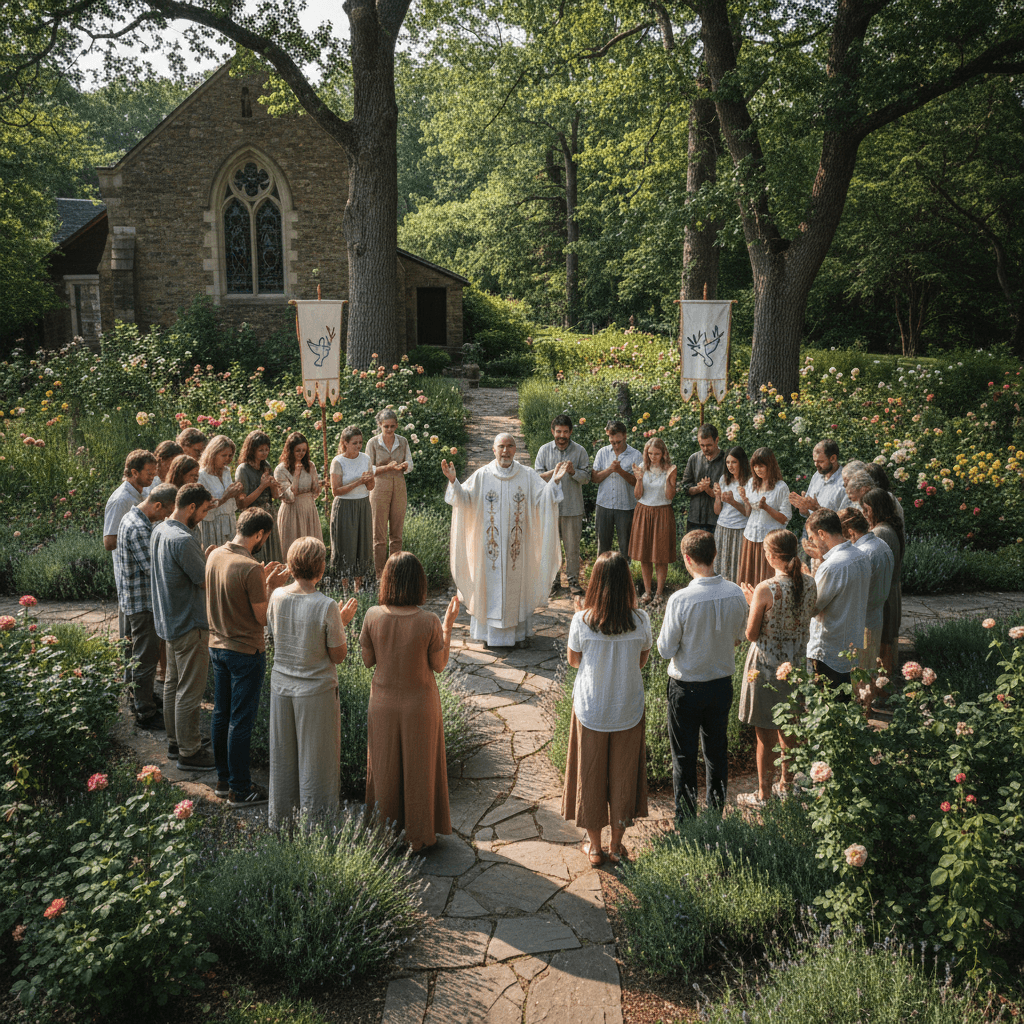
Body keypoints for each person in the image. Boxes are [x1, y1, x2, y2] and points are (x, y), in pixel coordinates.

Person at [359, 553, 460, 852]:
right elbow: (439, 665)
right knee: (420, 769)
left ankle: (384, 834)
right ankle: (419, 837)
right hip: (421, 705)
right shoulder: (428, 621)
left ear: (387, 581)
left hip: (383, 704)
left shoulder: (372, 615)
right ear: (419, 582)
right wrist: (448, 626)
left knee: (384, 768)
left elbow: (367, 660)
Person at [561, 551, 651, 866]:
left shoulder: (581, 620)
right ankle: (616, 846)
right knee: (624, 778)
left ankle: (595, 848)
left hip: (591, 708)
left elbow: (574, 661)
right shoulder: (641, 620)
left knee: (590, 775)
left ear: (595, 583)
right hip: (627, 707)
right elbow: (642, 660)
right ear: (627, 582)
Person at [443, 432, 567, 649]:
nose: (505, 451)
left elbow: (543, 500)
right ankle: (486, 634)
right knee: (488, 588)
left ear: (515, 450)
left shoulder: (527, 475)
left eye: (510, 446)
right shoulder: (482, 475)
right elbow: (464, 501)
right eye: (501, 446)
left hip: (516, 551)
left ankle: (517, 636)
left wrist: (553, 483)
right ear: (494, 449)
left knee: (516, 587)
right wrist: (454, 482)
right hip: (489, 550)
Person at [266, 537, 358, 828]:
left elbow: (274, 635)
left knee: (283, 758)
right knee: (317, 763)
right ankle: (317, 827)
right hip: (315, 691)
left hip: (281, 687)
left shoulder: (277, 596)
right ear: (320, 568)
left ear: (291, 565)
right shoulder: (326, 605)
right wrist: (342, 624)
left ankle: (282, 821)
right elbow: (338, 655)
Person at [657, 530, 748, 819]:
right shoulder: (735, 592)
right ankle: (716, 818)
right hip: (721, 684)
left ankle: (686, 822)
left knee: (684, 757)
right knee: (717, 753)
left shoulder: (681, 600)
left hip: (687, 686)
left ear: (687, 559)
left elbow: (665, 648)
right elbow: (739, 637)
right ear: (715, 555)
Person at [206, 507, 289, 806]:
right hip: (245, 652)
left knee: (221, 714)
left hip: (216, 646)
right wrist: (271, 586)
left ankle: (223, 780)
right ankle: (240, 790)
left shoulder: (215, 554)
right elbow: (263, 618)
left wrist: (261, 583)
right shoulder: (250, 566)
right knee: (240, 722)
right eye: (265, 536)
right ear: (259, 534)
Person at [737, 530, 817, 806]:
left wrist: (751, 604)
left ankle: (764, 795)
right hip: (796, 664)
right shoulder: (810, 583)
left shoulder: (766, 588)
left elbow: (751, 634)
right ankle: (788, 784)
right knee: (790, 728)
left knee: (765, 735)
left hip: (767, 666)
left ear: (771, 555)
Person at [150, 483, 216, 770]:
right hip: (190, 622)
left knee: (172, 685)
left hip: (168, 620)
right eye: (202, 511)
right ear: (191, 507)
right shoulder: (183, 540)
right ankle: (190, 753)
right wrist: (211, 560)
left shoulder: (159, 530)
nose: (202, 516)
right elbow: (204, 581)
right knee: (190, 690)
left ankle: (176, 743)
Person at [113, 483, 177, 729]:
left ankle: (139, 698)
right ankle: (145, 712)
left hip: (132, 598)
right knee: (145, 658)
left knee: (133, 655)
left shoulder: (130, 517)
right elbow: (152, 569)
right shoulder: (140, 528)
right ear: (158, 505)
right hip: (143, 603)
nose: (164, 518)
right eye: (165, 513)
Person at [805, 508, 872, 699]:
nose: (812, 543)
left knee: (824, 707)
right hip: (850, 646)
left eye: (812, 537)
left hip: (828, 649)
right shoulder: (861, 556)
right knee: (843, 705)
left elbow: (812, 607)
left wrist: (807, 579)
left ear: (821, 534)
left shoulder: (832, 566)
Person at [534, 414, 591, 598]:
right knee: (551, 546)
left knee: (572, 547)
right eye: (558, 431)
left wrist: (574, 472)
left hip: (572, 507)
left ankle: (573, 581)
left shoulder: (580, 451)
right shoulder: (544, 450)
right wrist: (554, 472)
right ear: (553, 431)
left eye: (565, 432)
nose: (562, 435)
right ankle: (553, 581)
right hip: (549, 507)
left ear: (571, 432)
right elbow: (536, 477)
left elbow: (587, 478)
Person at [839, 507, 894, 683]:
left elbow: (850, 591)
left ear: (850, 532)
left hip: (860, 621)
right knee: (868, 670)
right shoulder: (882, 545)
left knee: (859, 674)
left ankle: (863, 709)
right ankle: (867, 708)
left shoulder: (862, 553)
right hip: (875, 617)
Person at [627, 437, 677, 605]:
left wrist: (670, 479)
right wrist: (639, 479)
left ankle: (659, 593)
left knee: (661, 555)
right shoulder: (642, 468)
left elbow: (670, 496)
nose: (653, 457)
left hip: (662, 512)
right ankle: (648, 592)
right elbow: (637, 495)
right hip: (644, 511)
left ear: (663, 453)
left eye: (656, 453)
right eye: (650, 453)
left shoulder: (670, 469)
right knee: (645, 555)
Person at [861, 488, 905, 676]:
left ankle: (881, 687)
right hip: (891, 589)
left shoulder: (880, 532)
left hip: (883, 592)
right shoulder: (890, 526)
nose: (864, 514)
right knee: (885, 640)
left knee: (881, 643)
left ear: (876, 509)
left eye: (866, 510)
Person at [364, 410, 413, 579]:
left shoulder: (403, 441)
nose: (390, 429)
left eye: (392, 426)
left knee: (397, 532)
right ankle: (379, 575)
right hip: (379, 486)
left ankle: (395, 572)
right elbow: (368, 468)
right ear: (380, 426)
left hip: (399, 485)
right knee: (379, 534)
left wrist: (405, 466)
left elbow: (410, 463)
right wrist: (388, 467)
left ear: (397, 425)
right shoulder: (373, 443)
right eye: (386, 426)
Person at [738, 447, 792, 587]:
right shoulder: (751, 483)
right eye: (755, 466)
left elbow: (785, 518)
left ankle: (766, 606)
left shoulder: (781, 487)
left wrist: (766, 507)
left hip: (770, 540)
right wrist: (745, 499)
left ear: (770, 465)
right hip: (751, 536)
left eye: (761, 466)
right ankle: (749, 606)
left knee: (767, 580)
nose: (757, 469)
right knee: (749, 578)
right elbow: (748, 512)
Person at [330, 425, 375, 591]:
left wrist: (369, 480)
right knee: (346, 546)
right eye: (354, 442)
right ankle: (345, 589)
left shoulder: (365, 459)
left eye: (360, 442)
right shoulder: (338, 462)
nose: (358, 446)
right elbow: (336, 491)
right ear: (345, 443)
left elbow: (371, 486)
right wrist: (358, 482)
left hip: (363, 504)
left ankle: (358, 588)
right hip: (345, 506)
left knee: (362, 545)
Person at [592, 420, 642, 558]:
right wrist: (610, 469)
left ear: (625, 436)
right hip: (604, 505)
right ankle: (602, 577)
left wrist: (620, 471)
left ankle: (625, 577)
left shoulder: (636, 455)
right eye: (612, 441)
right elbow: (594, 478)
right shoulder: (602, 453)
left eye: (618, 442)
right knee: (603, 547)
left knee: (626, 547)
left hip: (626, 506)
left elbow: (637, 482)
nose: (615, 445)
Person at [235, 430, 284, 565]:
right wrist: (262, 486)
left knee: (273, 553)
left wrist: (273, 485)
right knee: (258, 554)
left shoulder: (266, 465)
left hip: (269, 514)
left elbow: (274, 496)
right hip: (253, 518)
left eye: (266, 449)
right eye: (260, 450)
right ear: (251, 450)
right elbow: (242, 503)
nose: (264, 453)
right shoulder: (243, 469)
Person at [275, 431, 323, 557]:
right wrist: (296, 474)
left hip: (309, 509)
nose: (301, 453)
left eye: (304, 450)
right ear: (290, 451)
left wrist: (318, 485)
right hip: (292, 511)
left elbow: (314, 492)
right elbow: (290, 495)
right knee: (293, 548)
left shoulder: (310, 465)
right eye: (298, 450)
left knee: (311, 549)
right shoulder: (281, 469)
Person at [103, 449, 157, 551]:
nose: (153, 477)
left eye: (154, 472)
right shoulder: (121, 500)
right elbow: (109, 543)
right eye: (149, 473)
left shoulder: (144, 492)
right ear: (134, 472)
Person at [712, 446, 751, 583]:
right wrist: (717, 497)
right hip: (722, 527)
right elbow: (717, 511)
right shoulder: (724, 479)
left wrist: (732, 501)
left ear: (741, 462)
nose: (730, 466)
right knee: (721, 566)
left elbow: (748, 512)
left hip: (740, 529)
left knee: (738, 567)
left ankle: (738, 597)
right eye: (727, 462)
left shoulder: (749, 482)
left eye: (734, 462)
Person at [199, 435, 245, 548]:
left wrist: (237, 493)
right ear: (213, 454)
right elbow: (205, 506)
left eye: (230, 455)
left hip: (229, 522)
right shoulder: (202, 476)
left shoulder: (226, 472)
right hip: (212, 525)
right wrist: (226, 496)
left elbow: (231, 501)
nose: (227, 459)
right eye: (223, 455)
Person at [680, 424, 726, 534]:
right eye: (702, 445)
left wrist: (710, 490)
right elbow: (684, 487)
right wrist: (698, 488)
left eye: (709, 445)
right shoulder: (694, 459)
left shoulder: (727, 460)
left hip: (718, 519)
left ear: (717, 440)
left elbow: (731, 491)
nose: (705, 449)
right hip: (695, 517)